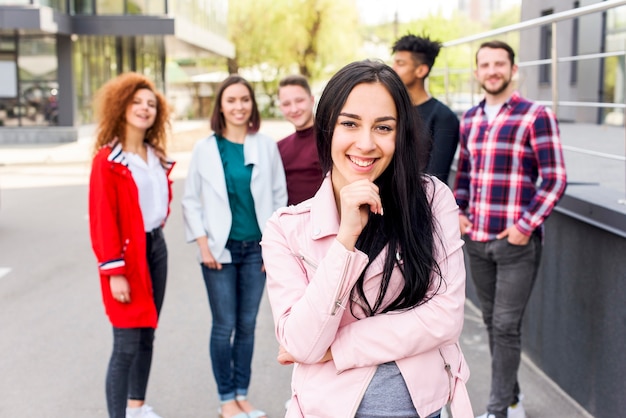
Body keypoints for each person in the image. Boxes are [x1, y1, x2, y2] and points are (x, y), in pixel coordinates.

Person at [261, 60, 472, 418]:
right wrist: (345, 238)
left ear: (399, 134)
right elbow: (299, 342)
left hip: (422, 407)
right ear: (327, 125)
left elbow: (445, 316)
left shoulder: (432, 199)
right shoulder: (287, 228)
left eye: (383, 127)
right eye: (350, 123)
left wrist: (338, 347)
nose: (366, 143)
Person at [453, 40, 567, 418]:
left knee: (504, 325)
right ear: (476, 72)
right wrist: (460, 211)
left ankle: (498, 409)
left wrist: (524, 226)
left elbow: (554, 179)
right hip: (478, 240)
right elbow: (465, 173)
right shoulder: (469, 119)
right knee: (492, 323)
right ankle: (514, 399)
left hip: (516, 243)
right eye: (485, 65)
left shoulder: (536, 116)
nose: (492, 71)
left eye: (499, 64)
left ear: (513, 69)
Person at [182, 74, 287, 418]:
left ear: (252, 104)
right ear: (221, 106)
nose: (239, 106)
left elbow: (278, 199)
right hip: (219, 251)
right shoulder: (205, 148)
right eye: (231, 100)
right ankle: (226, 399)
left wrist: (273, 249)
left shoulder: (266, 145)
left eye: (245, 99)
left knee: (247, 325)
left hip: (256, 250)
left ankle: (242, 395)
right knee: (223, 325)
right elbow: (190, 201)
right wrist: (203, 245)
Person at [88, 72, 174, 418]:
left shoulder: (154, 155)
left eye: (151, 104)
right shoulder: (107, 161)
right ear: (121, 107)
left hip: (156, 248)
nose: (144, 108)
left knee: (147, 335)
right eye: (136, 102)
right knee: (125, 345)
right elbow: (102, 221)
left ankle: (137, 407)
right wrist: (114, 271)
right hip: (125, 257)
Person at [392, 33, 460, 185]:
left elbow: (436, 178)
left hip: (420, 204)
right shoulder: (389, 110)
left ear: (421, 71)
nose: (393, 69)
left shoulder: (444, 117)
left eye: (400, 64)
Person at [277, 75, 324, 205]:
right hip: (291, 221)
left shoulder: (330, 139)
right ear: (280, 108)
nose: (294, 109)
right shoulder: (278, 148)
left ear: (312, 100)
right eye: (286, 104)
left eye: (299, 101)